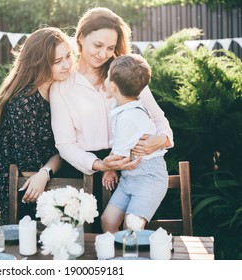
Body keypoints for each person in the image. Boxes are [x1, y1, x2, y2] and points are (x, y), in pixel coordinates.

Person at [50, 7, 173, 232]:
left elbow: (159, 118)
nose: (103, 53)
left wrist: (162, 139)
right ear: (80, 39)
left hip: (135, 169)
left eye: (110, 47)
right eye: (98, 45)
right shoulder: (62, 86)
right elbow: (65, 144)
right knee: (92, 243)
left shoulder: (125, 75)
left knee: (135, 234)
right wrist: (100, 164)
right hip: (87, 173)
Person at [0, 27, 73, 226]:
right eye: (57, 61)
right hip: (3, 174)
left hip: (35, 174)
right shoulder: (24, 101)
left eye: (68, 56)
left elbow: (61, 148)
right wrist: (41, 175)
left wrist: (46, 172)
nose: (67, 65)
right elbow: (28, 171)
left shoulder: (61, 91)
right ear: (38, 63)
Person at [100, 54, 168, 233]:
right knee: (107, 220)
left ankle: (129, 259)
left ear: (113, 86)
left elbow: (119, 154)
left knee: (131, 227)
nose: (105, 80)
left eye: (107, 77)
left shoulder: (129, 116)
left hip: (149, 178)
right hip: (130, 178)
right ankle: (115, 256)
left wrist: (109, 168)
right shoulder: (123, 107)